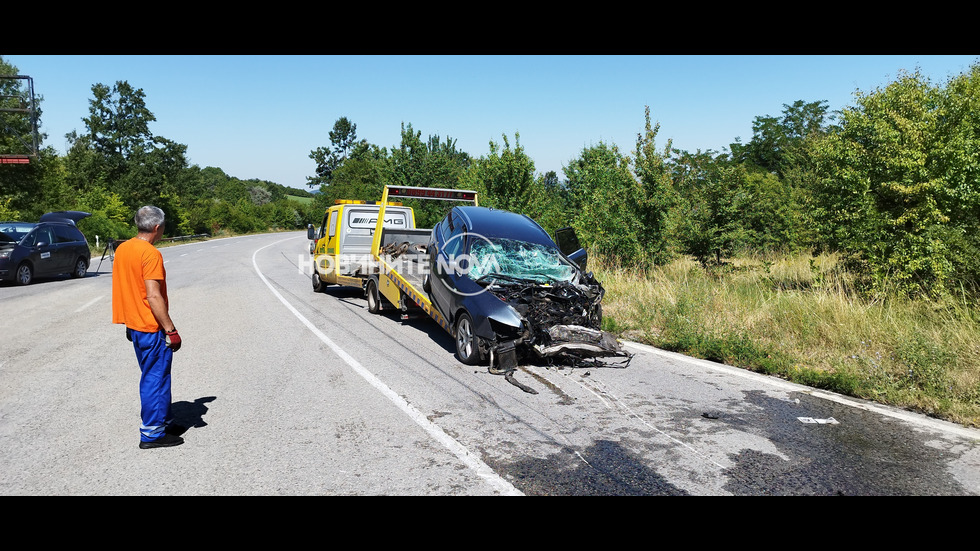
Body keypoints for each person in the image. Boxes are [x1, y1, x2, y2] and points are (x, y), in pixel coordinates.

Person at [112, 206, 185, 449]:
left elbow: (126, 287)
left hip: (135, 324)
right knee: (155, 379)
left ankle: (163, 421)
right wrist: (171, 330)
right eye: (163, 227)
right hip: (150, 327)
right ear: (157, 227)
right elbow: (153, 296)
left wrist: (127, 321)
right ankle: (152, 434)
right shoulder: (150, 253)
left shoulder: (124, 248)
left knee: (158, 376)